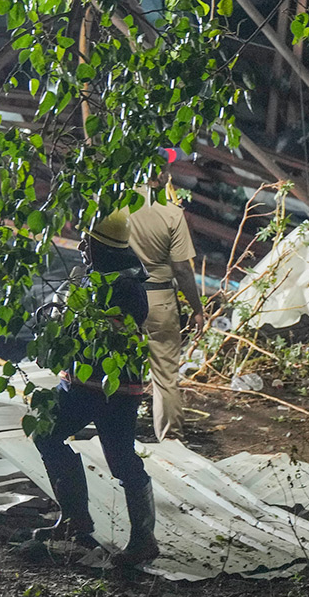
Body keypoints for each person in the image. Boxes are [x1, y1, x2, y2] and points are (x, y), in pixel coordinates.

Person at [24, 209, 158, 567]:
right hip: (80, 385)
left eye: (89, 240)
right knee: (46, 435)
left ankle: (144, 540)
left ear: (104, 247)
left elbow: (101, 333)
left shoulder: (128, 289)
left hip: (114, 392)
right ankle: (75, 521)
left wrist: (70, 319)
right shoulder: (92, 278)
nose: (82, 245)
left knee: (122, 461)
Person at [128, 181, 204, 441]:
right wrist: (197, 309)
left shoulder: (111, 205)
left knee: (119, 371)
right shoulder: (170, 212)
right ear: (159, 176)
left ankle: (118, 434)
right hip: (158, 299)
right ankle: (170, 440)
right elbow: (182, 269)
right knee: (164, 377)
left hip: (119, 298)